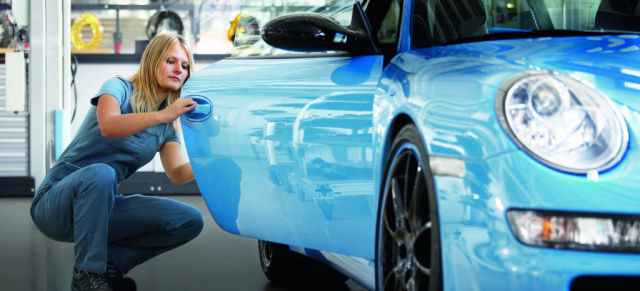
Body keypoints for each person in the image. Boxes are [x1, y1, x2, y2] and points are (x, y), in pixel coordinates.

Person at [30, 33, 204, 291]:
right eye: (171, 61)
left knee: (189, 219)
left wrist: (213, 160)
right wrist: (162, 115)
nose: (179, 69)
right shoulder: (118, 87)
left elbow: (177, 174)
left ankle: (110, 265)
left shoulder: (166, 127)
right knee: (102, 173)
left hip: (102, 205)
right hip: (55, 203)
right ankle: (86, 276)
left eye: (185, 65)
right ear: (153, 60)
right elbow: (108, 126)